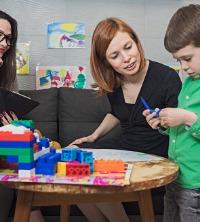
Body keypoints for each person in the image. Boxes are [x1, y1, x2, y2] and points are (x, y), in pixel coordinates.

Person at [68, 17, 182, 222]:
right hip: (126, 147)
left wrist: (163, 119)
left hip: (155, 151)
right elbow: (117, 113)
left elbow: (179, 121)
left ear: (137, 42)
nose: (127, 58)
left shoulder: (166, 77)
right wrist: (93, 136)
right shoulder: (115, 81)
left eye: (128, 47)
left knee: (92, 176)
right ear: (106, 62)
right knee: (71, 158)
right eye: (115, 56)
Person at [143, 4, 200, 222]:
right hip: (176, 176)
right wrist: (164, 124)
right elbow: (182, 130)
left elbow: (191, 121)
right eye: (178, 60)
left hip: (195, 183)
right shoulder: (189, 82)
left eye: (187, 58)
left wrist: (186, 117)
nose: (183, 66)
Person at [0, 10, 44, 222]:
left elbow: (11, 102)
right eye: (0, 35)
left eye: (8, 38)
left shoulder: (8, 71)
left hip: (4, 139)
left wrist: (15, 126)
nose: (5, 43)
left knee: (24, 154)